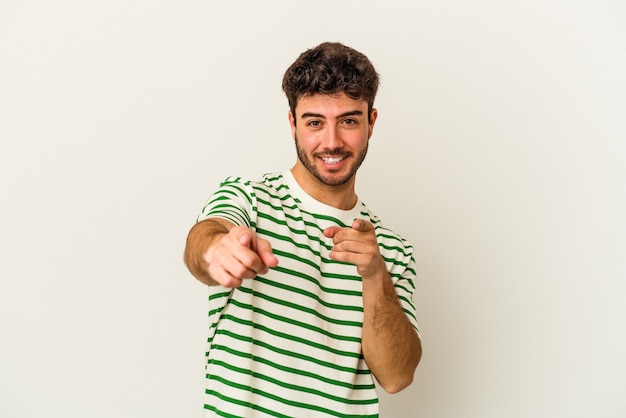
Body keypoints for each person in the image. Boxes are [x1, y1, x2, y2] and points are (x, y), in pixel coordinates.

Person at [184, 41, 422, 417]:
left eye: (348, 121)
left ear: (371, 122)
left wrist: (375, 275)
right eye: (314, 122)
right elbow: (205, 239)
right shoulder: (250, 200)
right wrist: (215, 250)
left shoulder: (391, 250)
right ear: (293, 123)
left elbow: (396, 377)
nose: (332, 142)